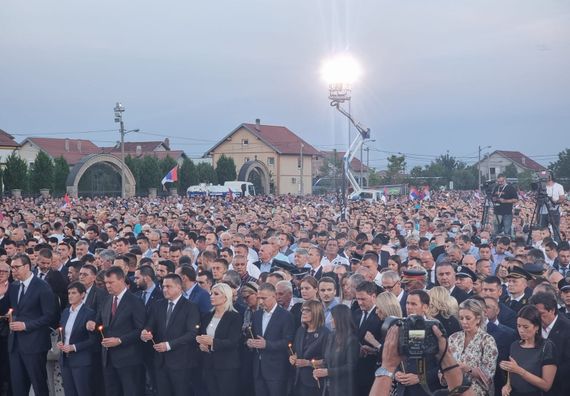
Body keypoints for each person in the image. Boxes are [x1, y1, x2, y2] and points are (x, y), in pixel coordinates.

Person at [86, 266, 146, 396]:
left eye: (111, 282)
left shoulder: (135, 301)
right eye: (106, 282)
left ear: (122, 280)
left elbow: (140, 330)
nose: (107, 286)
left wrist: (120, 340)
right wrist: (93, 325)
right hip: (108, 358)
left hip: (129, 359)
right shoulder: (106, 300)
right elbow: (101, 324)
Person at [6, 253, 57, 396]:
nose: (13, 270)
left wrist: (26, 325)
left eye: (16, 267)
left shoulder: (42, 286)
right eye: (12, 268)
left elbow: (49, 316)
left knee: (39, 384)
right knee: (18, 386)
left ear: (27, 266)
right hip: (15, 344)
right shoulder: (15, 286)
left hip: (35, 344)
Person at [141, 273, 200, 396]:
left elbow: (192, 333)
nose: (165, 289)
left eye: (168, 286)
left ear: (179, 287)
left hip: (181, 363)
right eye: (163, 286)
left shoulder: (191, 307)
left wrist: (169, 345)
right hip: (160, 362)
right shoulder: (158, 305)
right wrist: (145, 333)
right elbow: (150, 325)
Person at [498, 304, 556, 396]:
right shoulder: (515, 345)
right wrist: (507, 386)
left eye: (525, 327)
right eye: (518, 326)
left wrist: (520, 371)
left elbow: (546, 385)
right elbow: (511, 373)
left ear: (536, 327)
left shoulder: (547, 346)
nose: (521, 330)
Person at [248, 282, 294, 396]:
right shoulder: (257, 315)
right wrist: (249, 342)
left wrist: (267, 345)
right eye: (259, 298)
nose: (261, 301)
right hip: (258, 369)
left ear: (274, 296)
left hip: (276, 370)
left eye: (264, 298)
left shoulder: (286, 316)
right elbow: (252, 335)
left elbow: (288, 341)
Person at [196, 282, 242, 396]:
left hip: (227, 366)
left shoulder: (234, 317)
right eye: (211, 293)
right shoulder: (207, 316)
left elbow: (233, 341)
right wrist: (201, 344)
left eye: (216, 294)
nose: (211, 296)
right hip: (209, 364)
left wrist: (212, 343)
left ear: (226, 297)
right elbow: (202, 334)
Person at [448, 299, 498, 396]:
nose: (464, 322)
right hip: (453, 390)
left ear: (478, 319)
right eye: (461, 318)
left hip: (476, 392)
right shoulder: (453, 338)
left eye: (468, 318)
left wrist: (468, 369)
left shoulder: (487, 340)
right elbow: (444, 366)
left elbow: (489, 375)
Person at [57, 282, 96, 396]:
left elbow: (93, 340)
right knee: (69, 392)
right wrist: (60, 342)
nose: (70, 296)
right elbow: (62, 332)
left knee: (82, 392)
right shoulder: (65, 312)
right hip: (65, 359)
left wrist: (73, 347)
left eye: (74, 293)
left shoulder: (89, 313)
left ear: (82, 294)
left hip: (81, 360)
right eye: (69, 293)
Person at [528, 291, 570, 396]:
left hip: (560, 388)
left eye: (541, 314)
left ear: (552, 310)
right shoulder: (532, 327)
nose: (537, 318)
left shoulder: (567, 329)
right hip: (534, 387)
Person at [312, 304, 359, 396]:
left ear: (340, 319)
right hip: (329, 387)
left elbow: (351, 366)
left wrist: (328, 372)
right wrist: (319, 370)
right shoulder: (332, 336)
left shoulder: (352, 340)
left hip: (344, 388)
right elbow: (327, 360)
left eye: (333, 318)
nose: (330, 321)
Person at [289, 300, 330, 396]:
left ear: (316, 312)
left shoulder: (325, 333)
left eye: (307, 310)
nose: (303, 312)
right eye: (303, 310)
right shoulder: (300, 330)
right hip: (297, 380)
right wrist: (292, 357)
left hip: (315, 383)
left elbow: (328, 361)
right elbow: (295, 351)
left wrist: (308, 363)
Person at [352, 281, 382, 396]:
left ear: (373, 296)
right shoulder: (356, 313)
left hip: (372, 370)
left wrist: (373, 350)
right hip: (356, 371)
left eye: (363, 299)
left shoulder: (380, 315)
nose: (359, 302)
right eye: (357, 299)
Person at [539, 172, 565, 242]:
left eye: (547, 176)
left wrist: (554, 202)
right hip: (543, 211)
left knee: (556, 229)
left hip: (554, 211)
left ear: (551, 176)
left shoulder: (559, 186)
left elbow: (562, 198)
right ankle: (545, 244)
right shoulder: (541, 187)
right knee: (543, 229)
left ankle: (557, 244)